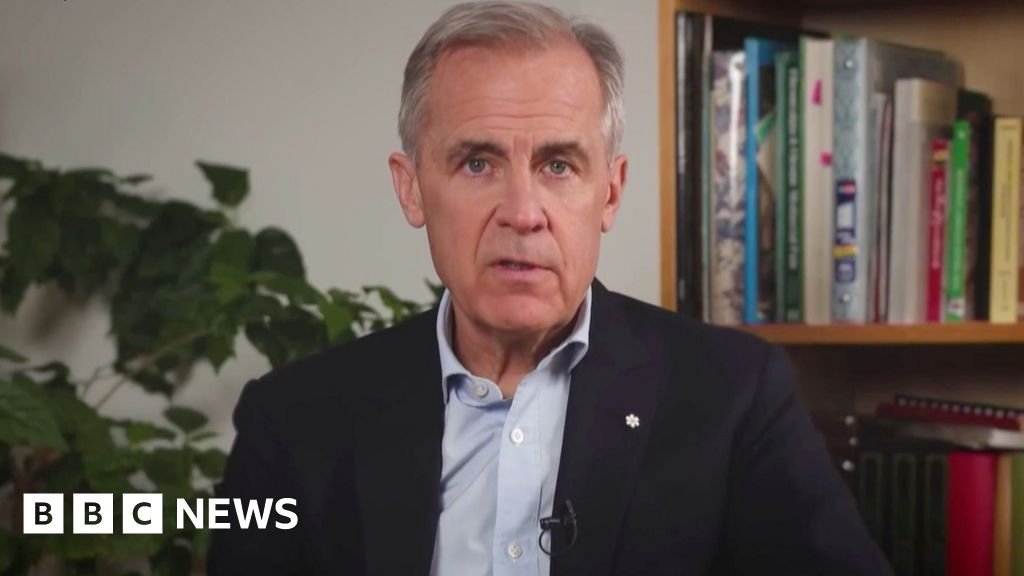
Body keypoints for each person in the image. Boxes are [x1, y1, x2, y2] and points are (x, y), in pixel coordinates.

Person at [207, 2, 891, 575]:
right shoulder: (293, 421)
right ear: (411, 188)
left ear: (610, 192)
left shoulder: (734, 396)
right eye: (478, 163)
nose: (523, 212)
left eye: (558, 165)